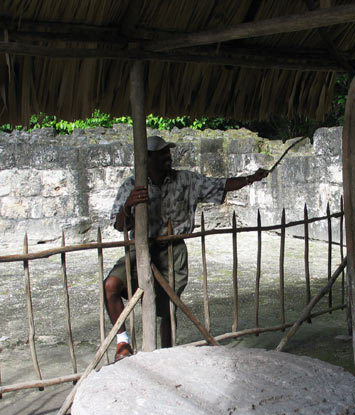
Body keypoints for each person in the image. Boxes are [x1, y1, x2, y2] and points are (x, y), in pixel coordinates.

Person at [104, 135, 269, 360]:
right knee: (111, 286)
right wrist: (128, 205)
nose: (167, 157)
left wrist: (251, 178)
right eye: (161, 154)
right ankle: (122, 343)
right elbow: (118, 225)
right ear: (147, 159)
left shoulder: (185, 180)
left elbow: (220, 184)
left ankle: (166, 355)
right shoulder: (132, 186)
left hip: (172, 250)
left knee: (167, 307)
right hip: (140, 249)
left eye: (168, 153)